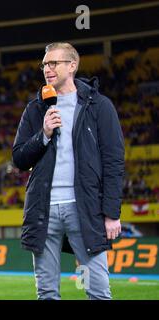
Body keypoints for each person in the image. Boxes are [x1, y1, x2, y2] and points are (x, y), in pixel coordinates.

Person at [12, 42, 125, 300]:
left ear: (72, 65)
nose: (47, 69)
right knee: (47, 294)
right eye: (44, 64)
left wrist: (111, 213)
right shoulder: (35, 108)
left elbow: (114, 161)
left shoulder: (99, 106)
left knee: (98, 292)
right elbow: (19, 158)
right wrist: (44, 134)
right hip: (43, 208)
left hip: (85, 208)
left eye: (54, 63)